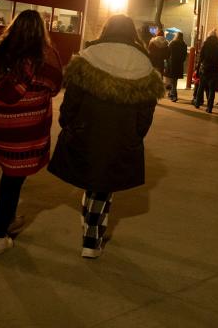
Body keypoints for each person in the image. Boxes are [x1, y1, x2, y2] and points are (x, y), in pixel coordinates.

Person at [48, 14, 163, 258]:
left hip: (86, 130)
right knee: (104, 183)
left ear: (106, 29)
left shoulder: (88, 57)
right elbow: (146, 111)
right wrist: (136, 134)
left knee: (95, 179)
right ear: (132, 33)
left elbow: (71, 101)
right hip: (121, 134)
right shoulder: (143, 63)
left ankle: (90, 225)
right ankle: (91, 238)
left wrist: (67, 124)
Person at [0, 10, 63, 255]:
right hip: (27, 129)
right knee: (12, 180)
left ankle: (8, 217)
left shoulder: (0, 51)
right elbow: (55, 87)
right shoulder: (47, 57)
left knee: (10, 176)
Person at [193, 31, 218, 113]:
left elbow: (201, 58)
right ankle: (209, 107)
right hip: (214, 70)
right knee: (212, 90)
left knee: (201, 87)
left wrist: (198, 69)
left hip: (205, 69)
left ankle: (197, 103)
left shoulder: (205, 44)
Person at [165, 31, 188, 102]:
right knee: (175, 80)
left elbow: (167, 53)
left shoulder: (172, 43)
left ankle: (174, 95)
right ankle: (171, 93)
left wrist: (167, 60)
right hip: (179, 64)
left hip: (172, 64)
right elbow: (185, 56)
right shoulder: (184, 45)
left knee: (172, 80)